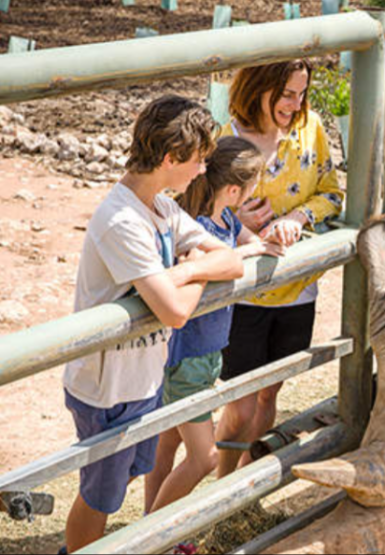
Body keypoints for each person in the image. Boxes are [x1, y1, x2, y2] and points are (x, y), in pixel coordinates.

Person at [62, 96, 244, 553]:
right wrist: (194, 267)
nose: (203, 171)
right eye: (199, 161)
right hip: (108, 388)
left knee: (122, 479)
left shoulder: (161, 207)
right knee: (99, 496)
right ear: (170, 158)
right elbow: (175, 311)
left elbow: (228, 257)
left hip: (141, 377)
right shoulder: (121, 219)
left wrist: (185, 271)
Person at [215, 60, 344, 478]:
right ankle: (223, 489)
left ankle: (248, 486)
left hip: (298, 287)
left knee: (270, 393)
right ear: (259, 87)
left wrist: (297, 219)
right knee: (240, 402)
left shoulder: (311, 129)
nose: (296, 103)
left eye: (301, 93)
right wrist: (242, 223)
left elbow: (331, 194)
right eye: (287, 94)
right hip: (245, 293)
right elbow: (202, 212)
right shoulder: (226, 139)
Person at [143, 136, 284, 518]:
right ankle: (154, 536)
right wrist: (250, 250)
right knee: (203, 458)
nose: (257, 191)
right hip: (186, 359)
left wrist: (271, 237)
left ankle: (151, 527)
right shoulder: (198, 227)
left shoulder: (228, 220)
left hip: (207, 355)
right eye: (253, 185)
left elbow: (255, 242)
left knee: (167, 443)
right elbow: (216, 261)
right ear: (235, 189)